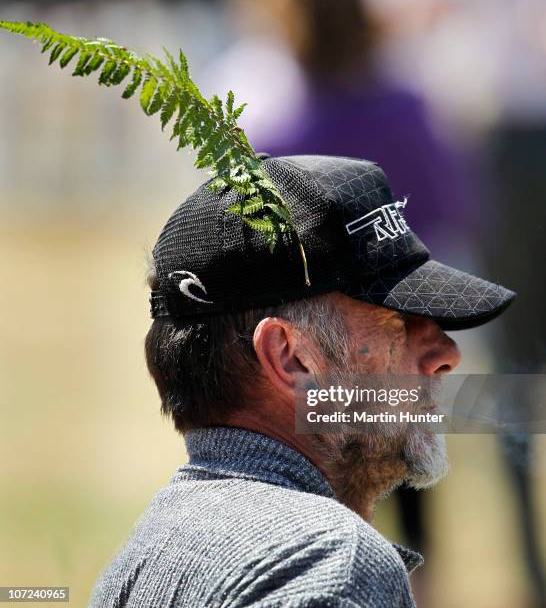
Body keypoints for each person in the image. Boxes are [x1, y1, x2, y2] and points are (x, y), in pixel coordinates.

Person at [90, 155, 515, 607]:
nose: (447, 354)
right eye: (398, 322)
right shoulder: (333, 565)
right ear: (291, 358)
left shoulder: (140, 562)